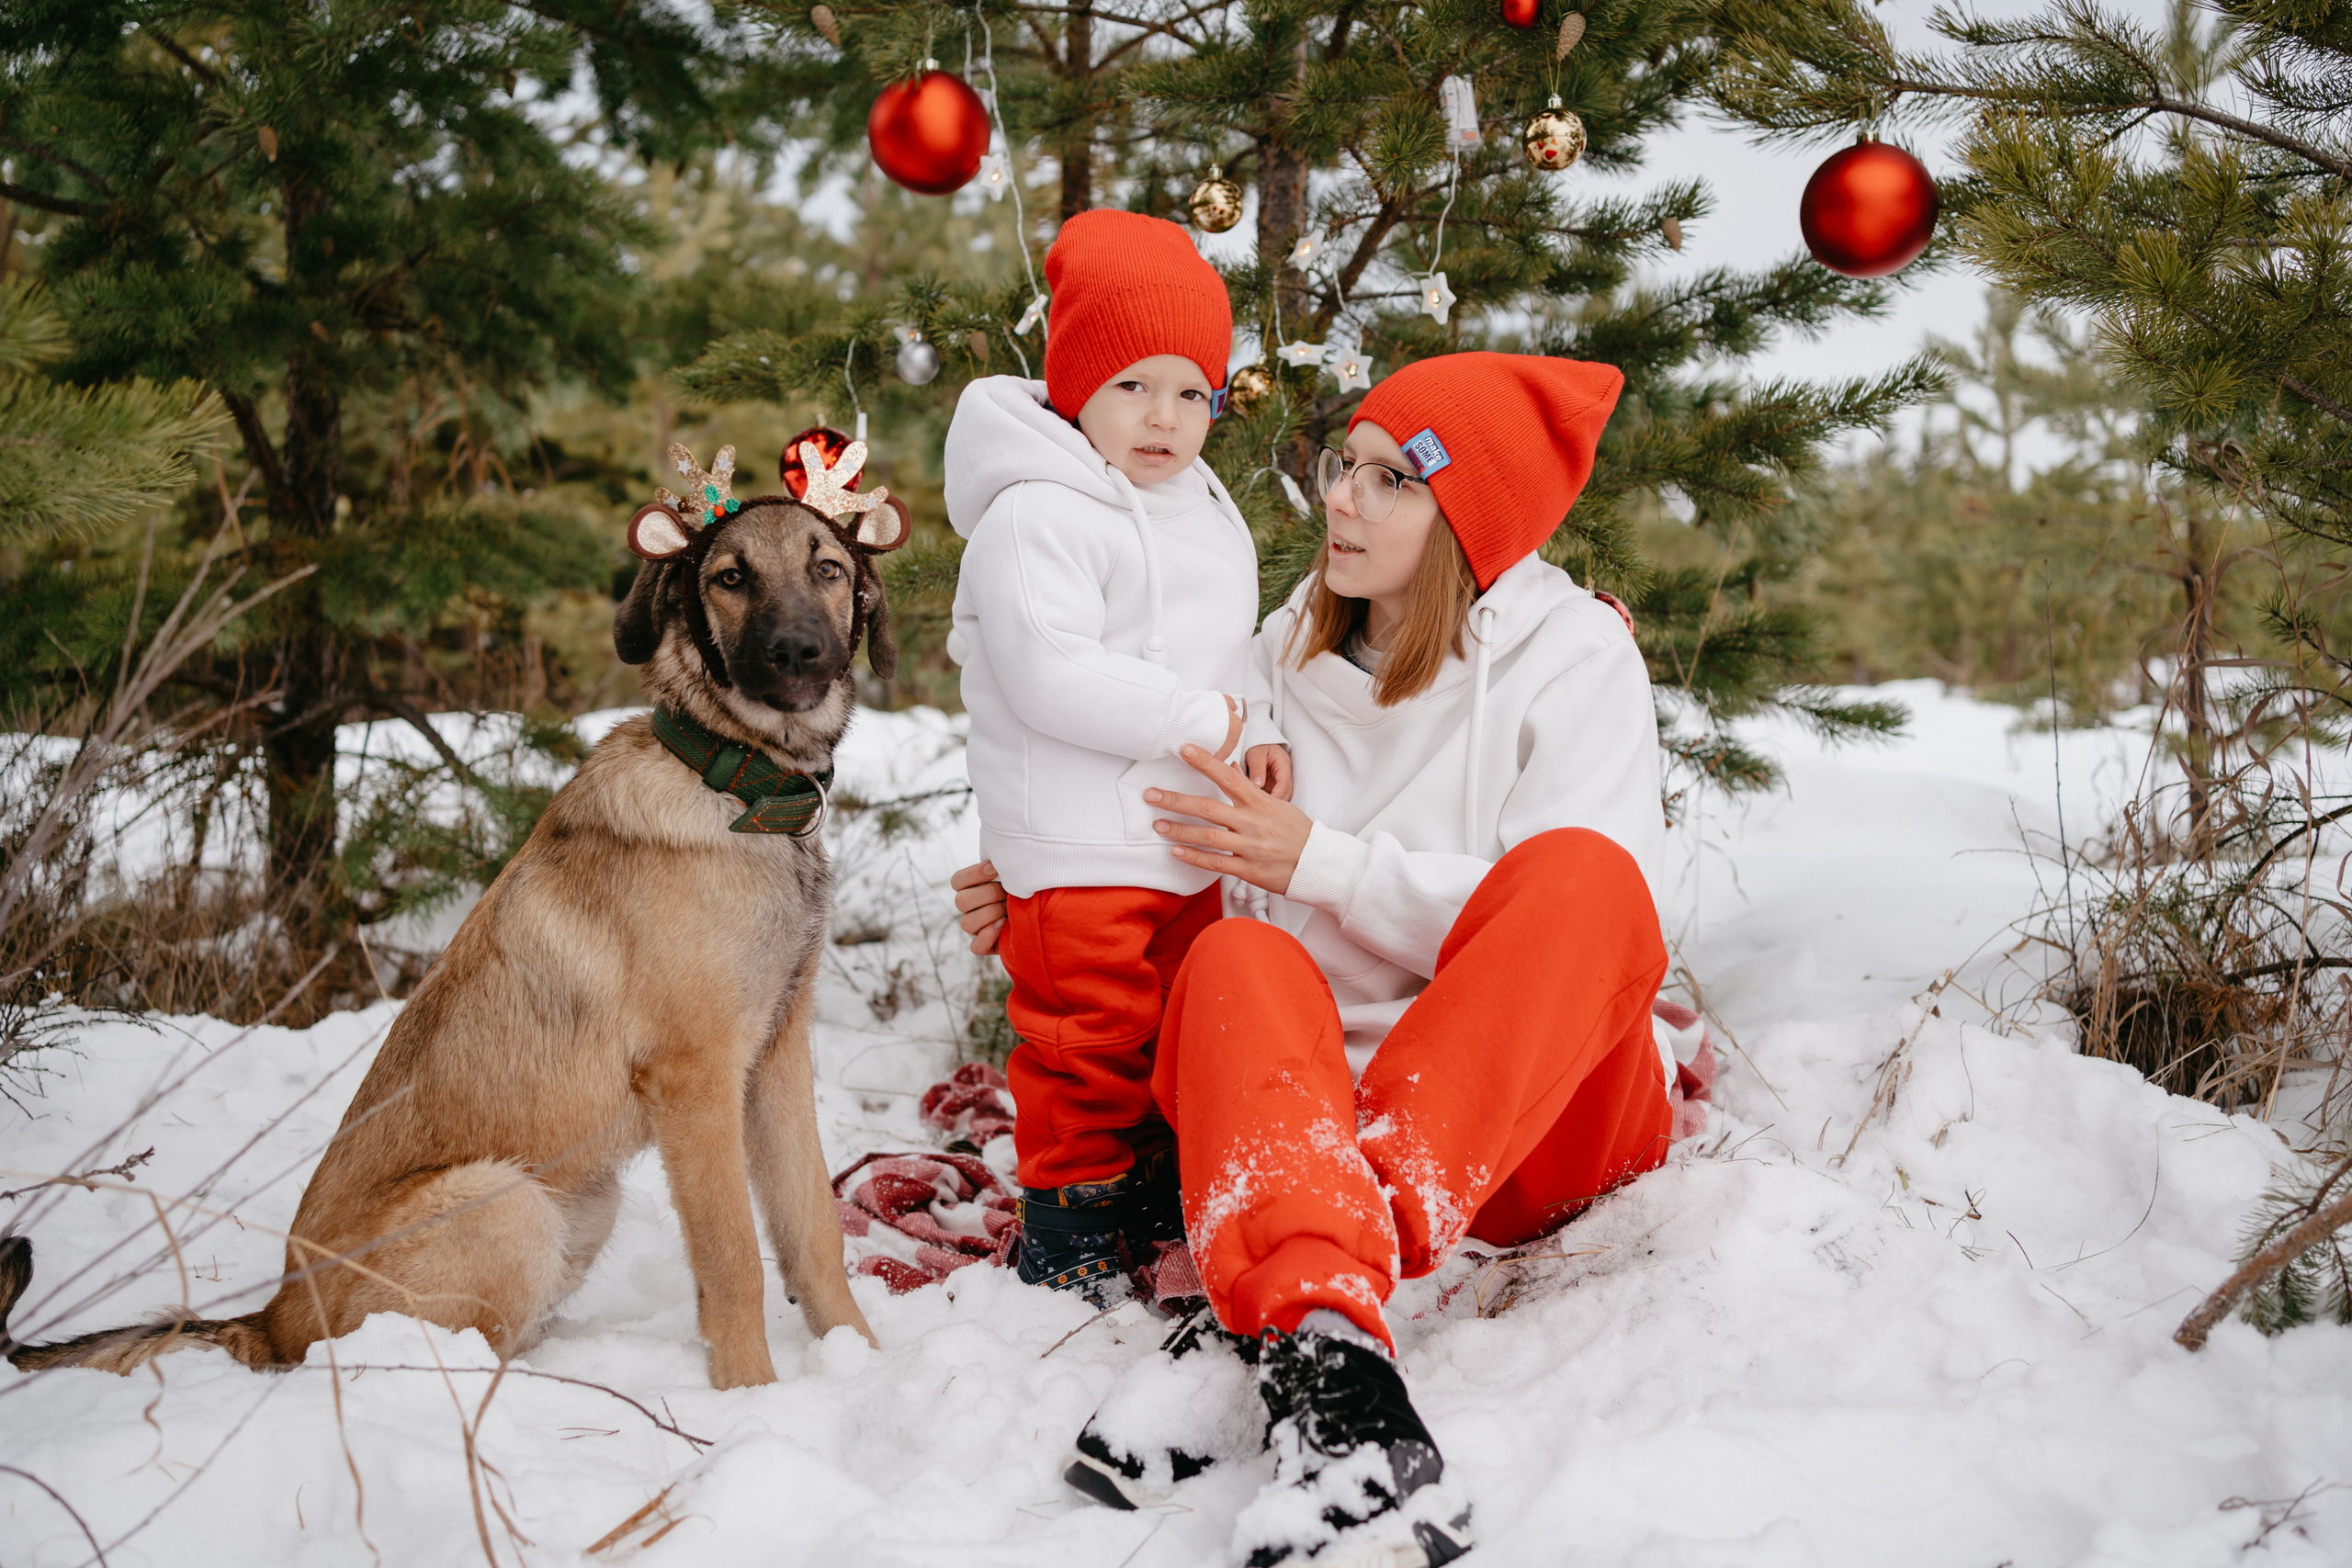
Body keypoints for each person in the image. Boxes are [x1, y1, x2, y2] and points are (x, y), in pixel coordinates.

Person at [951, 352, 1677, 1568]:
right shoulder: (1280, 650)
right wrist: (1045, 877)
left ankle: (1295, 1282)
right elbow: (1166, 836)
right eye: (1346, 464)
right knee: (1234, 955)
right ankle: (1322, 1345)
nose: (1340, 496)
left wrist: (1326, 862)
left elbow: (1594, 941)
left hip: (1534, 1126)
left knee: (1587, 879)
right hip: (1308, 1125)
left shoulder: (1575, 660)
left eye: (1392, 479)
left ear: (1469, 517)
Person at [944, 209, 1290, 1303]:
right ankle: (1067, 1217)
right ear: (1076, 385)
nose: (1165, 417)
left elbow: (1231, 651)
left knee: (1173, 1029)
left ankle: (1145, 1186)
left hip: (1183, 839)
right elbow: (1052, 671)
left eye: (1193, 392)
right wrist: (1212, 724)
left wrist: (1260, 725)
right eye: (1134, 385)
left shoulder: (1201, 508)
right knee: (1088, 1043)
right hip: (1078, 842)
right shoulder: (1036, 513)